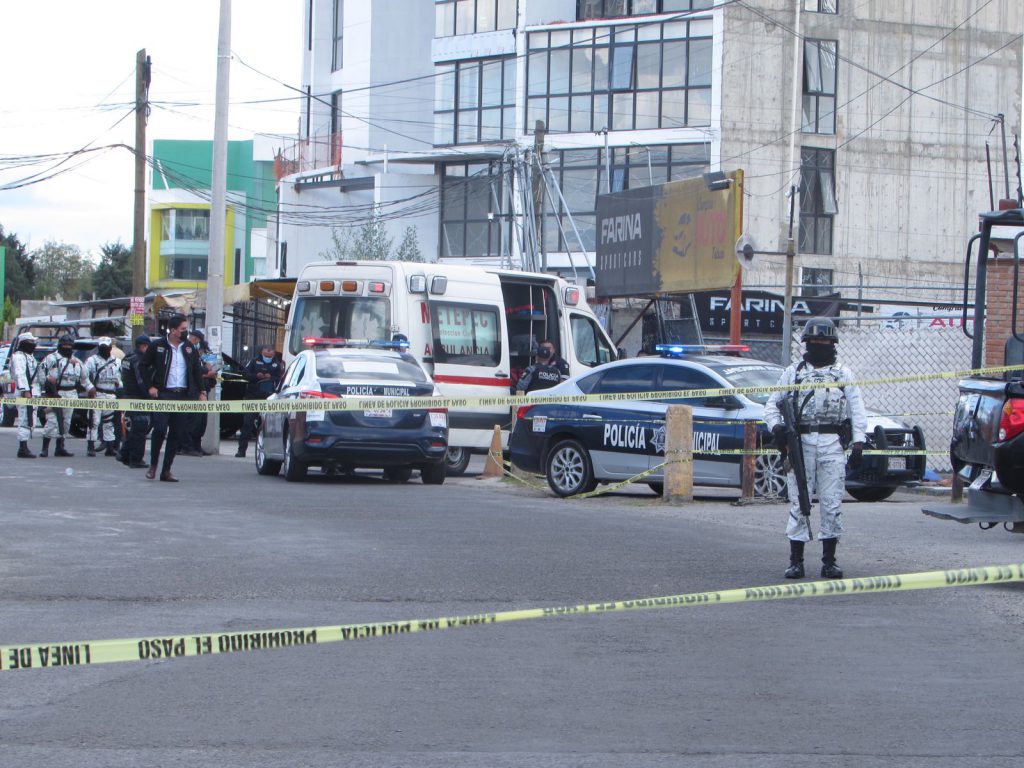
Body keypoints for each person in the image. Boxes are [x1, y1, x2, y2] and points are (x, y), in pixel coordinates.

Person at [764, 317, 868, 580]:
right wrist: (777, 428)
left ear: (833, 344)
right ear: (806, 343)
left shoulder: (843, 374)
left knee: (832, 503)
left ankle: (829, 561)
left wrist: (858, 443)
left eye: (824, 341)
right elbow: (771, 406)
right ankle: (796, 561)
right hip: (801, 444)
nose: (819, 345)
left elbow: (857, 410)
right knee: (799, 500)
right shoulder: (793, 373)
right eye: (814, 341)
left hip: (832, 443)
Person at [139, 314, 207, 482]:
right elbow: (143, 365)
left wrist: (202, 392)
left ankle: (166, 470)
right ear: (174, 330)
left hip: (182, 396)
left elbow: (196, 371)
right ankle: (153, 465)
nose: (186, 332)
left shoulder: (189, 348)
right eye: (183, 329)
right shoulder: (158, 345)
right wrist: (150, 386)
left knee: (176, 433)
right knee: (160, 429)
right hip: (163, 394)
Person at [39, 334, 94, 458]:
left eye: (69, 346)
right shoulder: (51, 358)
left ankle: (60, 447)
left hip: (71, 394)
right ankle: (44, 448)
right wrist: (47, 381)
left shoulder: (77, 362)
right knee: (52, 421)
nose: (67, 348)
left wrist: (91, 388)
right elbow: (41, 373)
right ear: (60, 345)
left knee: (66, 422)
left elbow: (84, 379)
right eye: (64, 345)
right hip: (55, 394)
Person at [235, 343, 284, 457]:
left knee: (269, 426)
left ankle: (268, 452)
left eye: (271, 351)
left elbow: (280, 379)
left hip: (268, 398)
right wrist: (256, 376)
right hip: (253, 397)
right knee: (247, 423)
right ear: (262, 351)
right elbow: (245, 374)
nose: (269, 353)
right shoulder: (254, 361)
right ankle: (241, 450)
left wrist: (271, 378)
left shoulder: (277, 364)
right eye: (267, 350)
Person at [180, 329, 217, 456]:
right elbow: (193, 371)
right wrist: (206, 372)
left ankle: (196, 445)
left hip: (201, 391)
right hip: (192, 392)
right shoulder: (187, 350)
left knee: (201, 422)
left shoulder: (198, 356)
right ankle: (187, 446)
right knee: (192, 421)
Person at [83, 337, 122, 457]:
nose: (104, 349)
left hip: (111, 395)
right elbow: (83, 376)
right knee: (94, 422)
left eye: (106, 347)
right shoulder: (91, 360)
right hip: (97, 394)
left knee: (109, 422)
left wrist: (119, 384)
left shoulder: (117, 361)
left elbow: (122, 378)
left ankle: (110, 447)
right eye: (102, 347)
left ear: (110, 348)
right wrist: (89, 387)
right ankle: (91, 446)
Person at [118, 335, 152, 468]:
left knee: (135, 428)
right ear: (144, 346)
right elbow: (140, 380)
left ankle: (124, 453)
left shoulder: (127, 357)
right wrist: (149, 394)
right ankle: (136, 459)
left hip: (128, 396)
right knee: (140, 428)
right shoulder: (138, 360)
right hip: (139, 398)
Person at [11, 332, 42, 458]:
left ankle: (24, 446)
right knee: (24, 419)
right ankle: (22, 448)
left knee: (31, 420)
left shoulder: (30, 357)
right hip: (25, 393)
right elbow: (20, 374)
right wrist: (26, 390)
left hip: (33, 392)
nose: (33, 345)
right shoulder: (19, 356)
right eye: (31, 343)